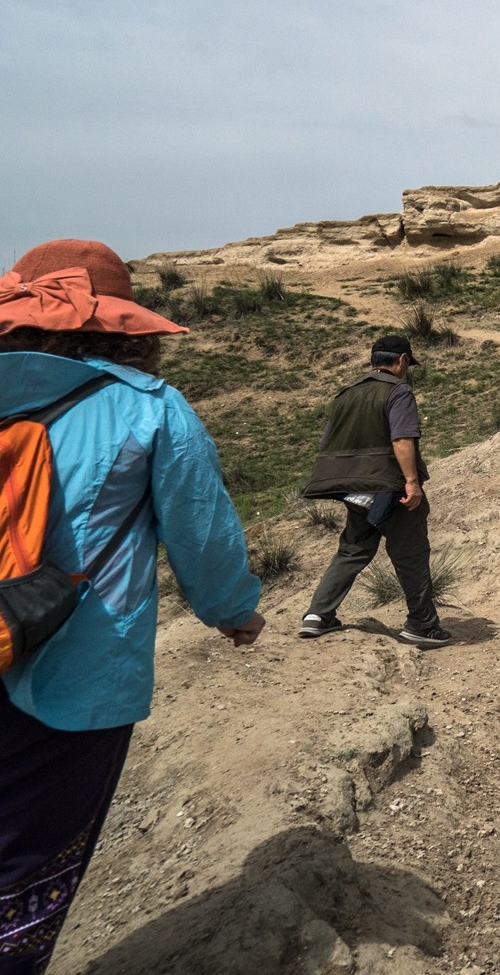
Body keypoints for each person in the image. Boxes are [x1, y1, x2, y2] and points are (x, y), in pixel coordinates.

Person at [0, 240, 265, 975]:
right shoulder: (148, 408)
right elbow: (201, 533)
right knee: (24, 866)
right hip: (72, 674)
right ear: (126, 324)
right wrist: (234, 611)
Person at [297, 335, 450, 647]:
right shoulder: (398, 391)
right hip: (390, 487)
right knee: (411, 553)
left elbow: (328, 441)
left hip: (355, 489)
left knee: (353, 549)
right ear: (403, 360)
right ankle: (421, 624)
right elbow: (402, 438)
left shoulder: (345, 395)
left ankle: (318, 614)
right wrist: (411, 482)